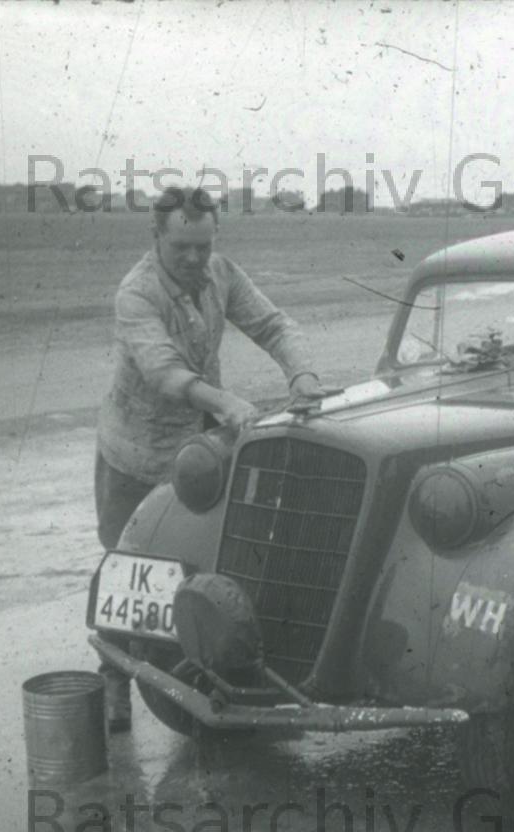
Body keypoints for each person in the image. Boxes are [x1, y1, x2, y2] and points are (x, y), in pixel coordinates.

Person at [94, 185, 322, 730]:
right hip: (135, 452)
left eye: (204, 246)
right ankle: (114, 681)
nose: (195, 259)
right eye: (182, 248)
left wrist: (303, 374)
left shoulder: (222, 274)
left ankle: (216, 668)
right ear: (156, 238)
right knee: (130, 575)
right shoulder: (136, 293)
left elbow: (274, 325)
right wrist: (224, 402)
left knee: (212, 554)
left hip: (198, 449)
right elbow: (164, 371)